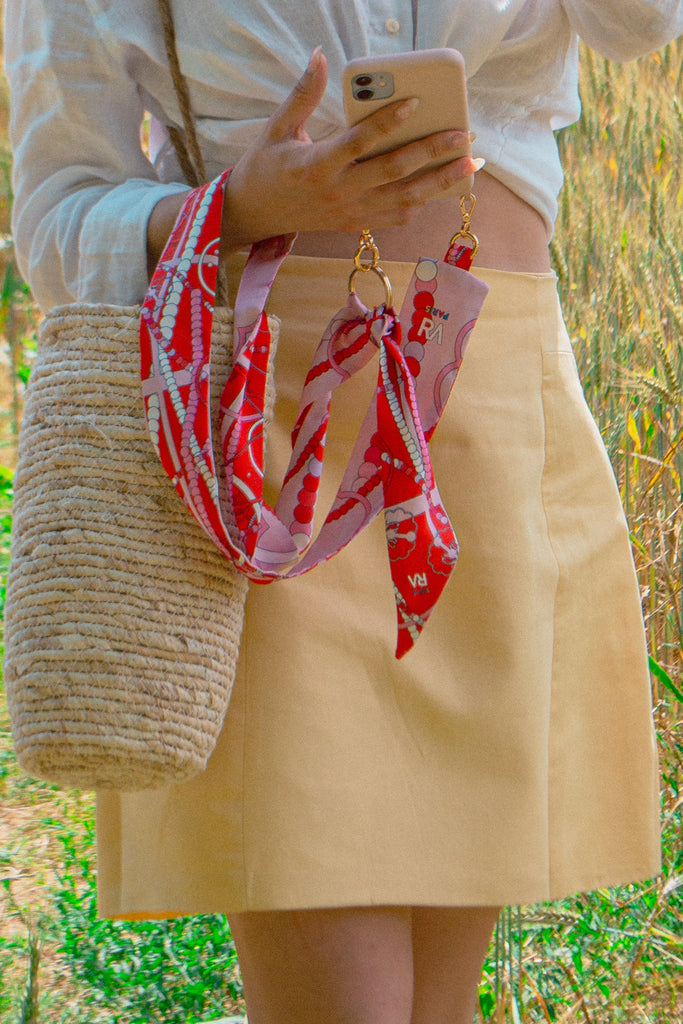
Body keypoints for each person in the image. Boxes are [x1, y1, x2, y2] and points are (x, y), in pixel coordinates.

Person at [5, 3, 683, 1023]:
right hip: (266, 444)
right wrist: (240, 206)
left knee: (436, 1008)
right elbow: (57, 220)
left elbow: (642, 26)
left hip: (486, 405)